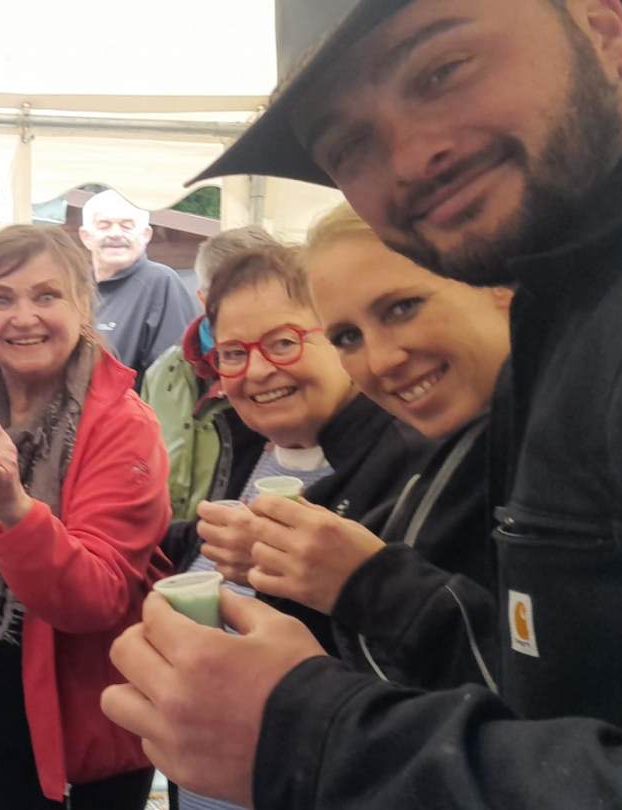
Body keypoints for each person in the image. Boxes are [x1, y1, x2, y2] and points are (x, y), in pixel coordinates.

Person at [102, 0, 622, 806]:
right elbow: (568, 691)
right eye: (350, 146)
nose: (412, 160)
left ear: (603, 24)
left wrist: (316, 739)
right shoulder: (577, 310)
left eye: (441, 71)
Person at [154, 233, 425, 810]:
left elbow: (419, 651)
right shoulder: (241, 441)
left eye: (282, 342)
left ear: (341, 339)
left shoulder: (408, 465)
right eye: (233, 352)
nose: (256, 371)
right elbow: (204, 553)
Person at [209, 203, 511, 691]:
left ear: (497, 283)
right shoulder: (460, 454)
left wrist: (364, 583)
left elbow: (552, 699)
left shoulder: (577, 444)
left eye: (402, 308)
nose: (381, 360)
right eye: (349, 336)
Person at [0, 224, 169, 809]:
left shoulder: (122, 425)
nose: (23, 317)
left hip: (85, 729)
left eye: (46, 296)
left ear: (84, 304)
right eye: (0, 298)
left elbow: (98, 597)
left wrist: (16, 509)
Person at [141, 227, 282, 521]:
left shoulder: (283, 371)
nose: (244, 308)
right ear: (203, 298)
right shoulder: (163, 373)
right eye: (230, 295)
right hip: (173, 539)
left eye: (258, 293)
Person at [78, 189, 200, 384]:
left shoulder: (160, 283)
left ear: (146, 235)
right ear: (86, 237)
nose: (115, 234)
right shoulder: (74, 286)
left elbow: (172, 378)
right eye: (104, 225)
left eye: (127, 226)